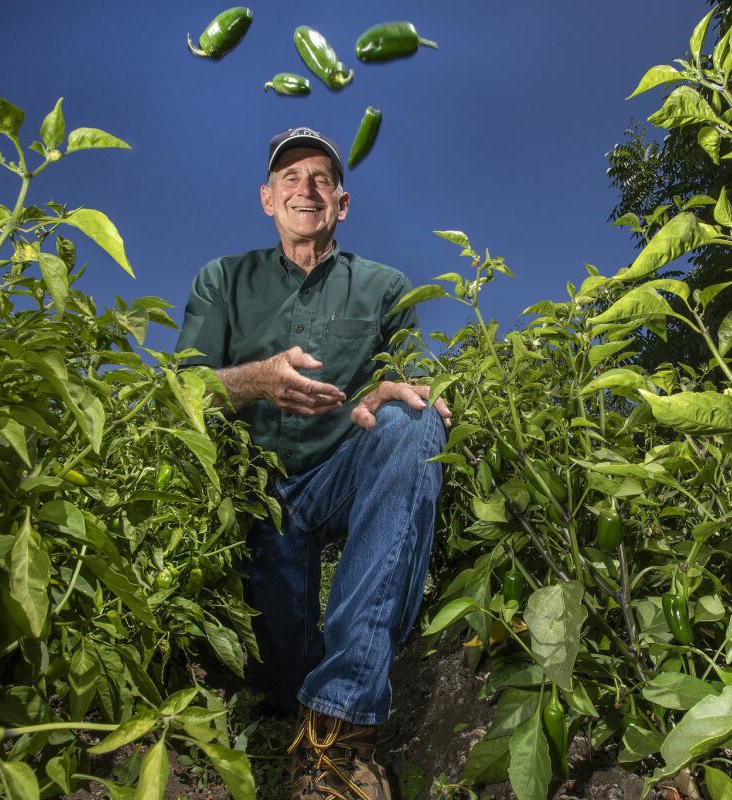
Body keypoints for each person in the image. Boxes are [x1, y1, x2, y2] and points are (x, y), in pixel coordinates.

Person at [175, 127, 451, 800]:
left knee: (412, 422)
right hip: (257, 495)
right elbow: (181, 391)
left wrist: (392, 390)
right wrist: (254, 380)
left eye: (321, 177)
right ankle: (292, 694)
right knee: (278, 680)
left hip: (341, 473)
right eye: (290, 177)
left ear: (343, 203)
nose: (306, 187)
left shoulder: (385, 287)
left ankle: (338, 734)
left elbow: (418, 384)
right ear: (267, 198)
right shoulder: (222, 279)